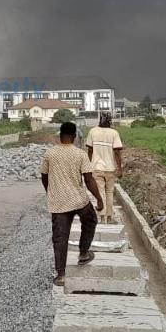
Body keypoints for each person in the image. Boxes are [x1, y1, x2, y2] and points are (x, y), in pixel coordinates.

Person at [40, 122, 104, 287]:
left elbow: (44, 176)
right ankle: (83, 253)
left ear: (60, 135)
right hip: (78, 200)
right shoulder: (80, 154)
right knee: (90, 220)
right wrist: (99, 198)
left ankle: (61, 275)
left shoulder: (49, 154)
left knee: (60, 238)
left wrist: (50, 191)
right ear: (74, 136)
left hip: (58, 203)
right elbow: (89, 179)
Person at [85, 112, 123, 224]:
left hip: (96, 167)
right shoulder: (114, 133)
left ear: (99, 120)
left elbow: (90, 150)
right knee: (109, 192)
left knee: (100, 192)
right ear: (110, 121)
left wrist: (89, 164)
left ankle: (101, 218)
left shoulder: (93, 131)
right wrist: (119, 169)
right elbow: (117, 152)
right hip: (110, 168)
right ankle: (110, 218)